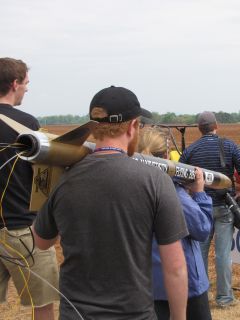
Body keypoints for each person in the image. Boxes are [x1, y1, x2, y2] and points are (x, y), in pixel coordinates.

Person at [33, 85, 189, 320]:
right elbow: (175, 268)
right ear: (134, 126)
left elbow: (41, 242)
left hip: (76, 314)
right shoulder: (156, 181)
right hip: (134, 315)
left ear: (94, 127)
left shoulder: (63, 180)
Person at [0, 57, 59, 320]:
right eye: (26, 83)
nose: (27, 88)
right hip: (23, 231)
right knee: (43, 304)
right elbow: (43, 178)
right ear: (14, 83)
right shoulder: (26, 125)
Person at [138, 127, 213, 320]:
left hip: (146, 286)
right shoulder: (175, 195)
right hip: (186, 286)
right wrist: (199, 193)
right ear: (166, 156)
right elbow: (202, 229)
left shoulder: (131, 189)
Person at [180, 111, 240, 308]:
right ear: (217, 126)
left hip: (200, 208)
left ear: (199, 129)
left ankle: (201, 298)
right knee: (223, 254)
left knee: (200, 254)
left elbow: (179, 178)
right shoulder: (229, 145)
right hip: (224, 207)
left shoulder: (191, 150)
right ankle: (224, 298)